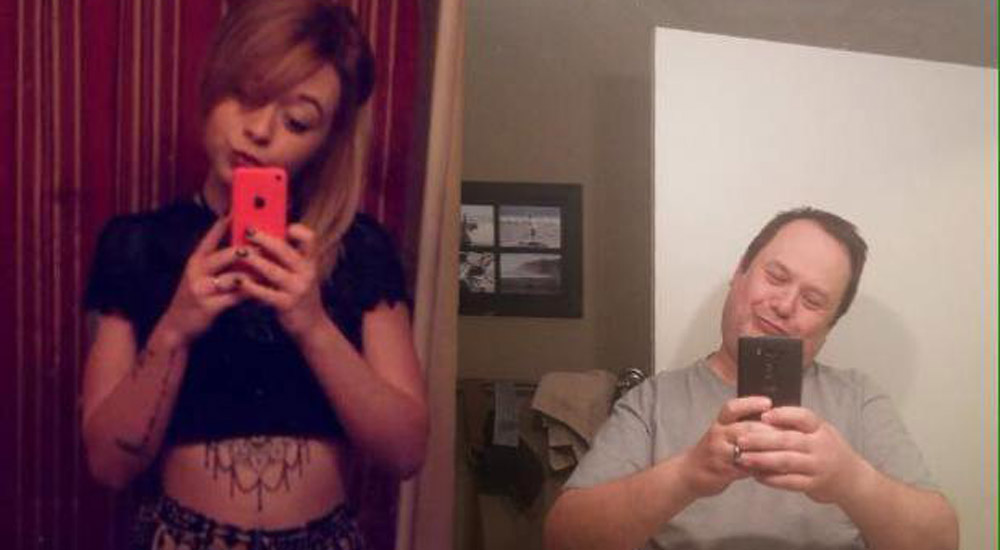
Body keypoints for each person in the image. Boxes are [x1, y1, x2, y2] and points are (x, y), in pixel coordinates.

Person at [80, 1, 428, 548]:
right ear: (213, 83)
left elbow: (406, 454)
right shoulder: (136, 245)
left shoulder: (359, 249)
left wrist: (312, 325)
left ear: (326, 140)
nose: (260, 130)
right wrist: (176, 328)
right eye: (245, 95)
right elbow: (108, 464)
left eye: (297, 121)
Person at [544, 207, 958, 550]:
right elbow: (563, 539)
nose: (785, 305)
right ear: (739, 271)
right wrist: (687, 474)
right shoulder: (653, 400)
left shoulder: (858, 400)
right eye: (776, 277)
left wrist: (850, 480)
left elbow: (941, 542)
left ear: (829, 326)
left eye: (813, 300)